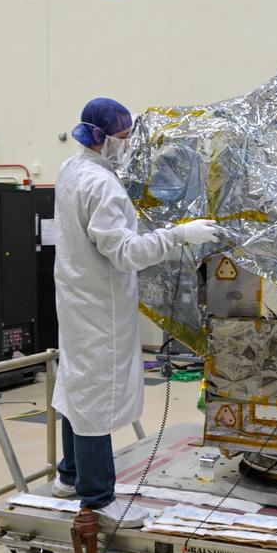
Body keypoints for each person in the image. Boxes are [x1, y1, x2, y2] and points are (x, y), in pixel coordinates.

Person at [51, 97, 222, 529]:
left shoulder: (72, 171)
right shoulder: (101, 185)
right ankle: (99, 499)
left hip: (76, 298)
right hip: (99, 308)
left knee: (77, 386)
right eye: (123, 139)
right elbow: (125, 253)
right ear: (100, 138)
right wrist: (178, 235)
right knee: (96, 396)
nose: (127, 147)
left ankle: (69, 476)